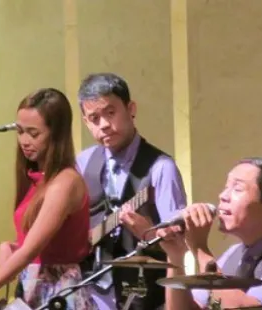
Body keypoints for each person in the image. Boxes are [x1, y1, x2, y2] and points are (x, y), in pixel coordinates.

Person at [0, 88, 98, 310]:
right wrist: (11, 246)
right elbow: (37, 245)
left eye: (33, 133)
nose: (24, 141)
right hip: (33, 289)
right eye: (20, 131)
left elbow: (31, 250)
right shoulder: (35, 179)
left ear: (56, 134)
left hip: (59, 294)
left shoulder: (65, 182)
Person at [75, 72, 187, 309]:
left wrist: (149, 234)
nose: (104, 124)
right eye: (94, 118)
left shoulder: (161, 168)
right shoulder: (82, 163)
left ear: (131, 109)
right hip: (90, 295)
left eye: (111, 112)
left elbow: (178, 242)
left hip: (144, 297)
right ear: (86, 122)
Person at [156, 157, 262, 309]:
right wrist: (175, 257)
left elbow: (242, 307)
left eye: (237, 189)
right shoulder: (233, 253)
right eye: (226, 187)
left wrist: (200, 249)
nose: (223, 196)